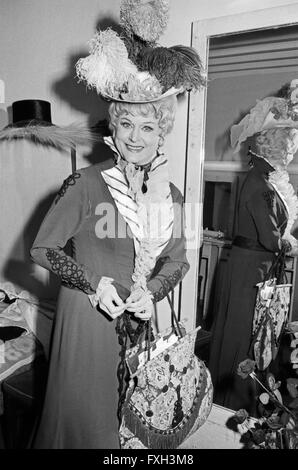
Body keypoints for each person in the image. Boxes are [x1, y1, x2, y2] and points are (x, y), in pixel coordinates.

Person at [29, 1, 205, 449]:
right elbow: (43, 249)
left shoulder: (175, 196)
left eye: (147, 126)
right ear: (114, 126)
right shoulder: (86, 183)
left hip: (139, 324)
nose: (135, 136)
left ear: (161, 131)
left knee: (127, 432)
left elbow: (178, 260)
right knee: (84, 428)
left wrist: (153, 294)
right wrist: (93, 283)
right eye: (126, 123)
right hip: (88, 321)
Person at [208, 81, 298, 415]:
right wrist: (289, 244)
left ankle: (242, 397)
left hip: (251, 268)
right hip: (251, 272)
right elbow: (270, 238)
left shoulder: (259, 179)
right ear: (275, 145)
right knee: (247, 332)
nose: (291, 152)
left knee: (252, 331)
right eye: (289, 145)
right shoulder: (260, 183)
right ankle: (236, 402)